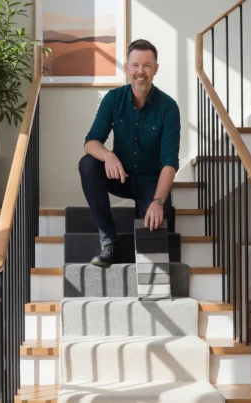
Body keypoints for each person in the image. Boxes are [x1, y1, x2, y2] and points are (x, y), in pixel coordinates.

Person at [79, 39, 181, 267]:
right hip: (120, 177)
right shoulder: (113, 99)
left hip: (152, 183)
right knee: (87, 164)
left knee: (152, 243)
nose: (140, 72)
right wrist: (108, 156)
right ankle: (109, 243)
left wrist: (158, 201)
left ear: (156, 69)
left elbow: (169, 163)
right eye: (135, 65)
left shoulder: (168, 107)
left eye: (146, 65)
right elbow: (91, 142)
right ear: (127, 68)